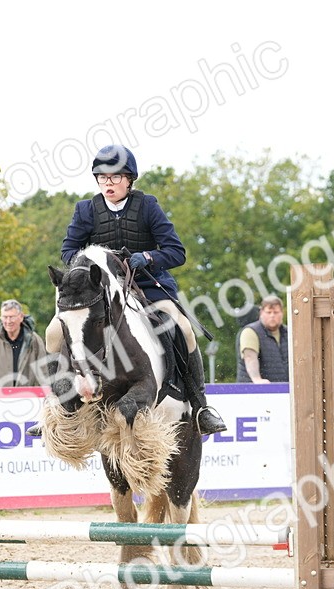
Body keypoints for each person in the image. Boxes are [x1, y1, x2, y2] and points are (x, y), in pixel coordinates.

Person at [51, 144, 225, 434]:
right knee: (53, 332)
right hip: (102, 289)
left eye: (115, 177)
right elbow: (68, 249)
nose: (108, 183)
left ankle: (200, 405)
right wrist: (83, 265)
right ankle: (56, 405)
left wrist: (147, 257)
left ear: (129, 179)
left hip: (146, 285)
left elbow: (176, 251)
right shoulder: (86, 210)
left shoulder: (147, 206)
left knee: (182, 327)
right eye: (102, 177)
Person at [0, 299, 47, 388]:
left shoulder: (34, 340)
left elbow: (43, 373)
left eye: (12, 317)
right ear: (1, 318)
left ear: (21, 317)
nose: (8, 321)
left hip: (27, 398)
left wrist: (37, 395)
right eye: (5, 317)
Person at [236, 296, 288, 383]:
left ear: (282, 313)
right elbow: (249, 357)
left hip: (284, 391)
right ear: (261, 313)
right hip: (253, 392)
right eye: (269, 312)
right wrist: (257, 379)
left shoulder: (289, 332)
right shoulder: (250, 331)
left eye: (276, 312)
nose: (272, 315)